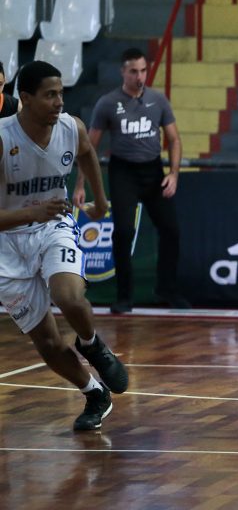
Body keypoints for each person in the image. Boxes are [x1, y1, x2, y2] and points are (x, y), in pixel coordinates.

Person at [0, 61, 129, 431]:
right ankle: (94, 393)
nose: (59, 102)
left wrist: (99, 200)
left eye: (61, 94)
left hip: (53, 227)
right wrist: (32, 211)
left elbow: (87, 152)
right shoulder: (3, 138)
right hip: (7, 245)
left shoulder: (72, 127)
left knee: (70, 298)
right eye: (50, 95)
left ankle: (91, 343)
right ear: (26, 98)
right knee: (47, 343)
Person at [73, 47, 188, 314]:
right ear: (123, 72)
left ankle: (167, 288)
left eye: (144, 70)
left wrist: (173, 173)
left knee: (171, 230)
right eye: (134, 71)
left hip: (153, 170)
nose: (140, 76)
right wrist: (80, 184)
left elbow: (174, 139)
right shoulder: (108, 103)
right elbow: (90, 146)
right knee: (124, 231)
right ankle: (124, 296)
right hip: (123, 171)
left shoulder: (158, 100)